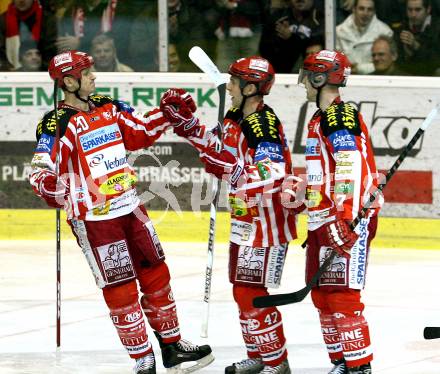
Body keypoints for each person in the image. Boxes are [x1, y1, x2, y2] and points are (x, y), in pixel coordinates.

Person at [28, 50, 214, 374]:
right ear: (69, 81)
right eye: (87, 74)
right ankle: (143, 359)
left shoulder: (106, 106)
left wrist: (166, 113)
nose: (94, 78)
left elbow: (138, 131)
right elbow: (42, 166)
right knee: (121, 288)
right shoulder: (59, 122)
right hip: (95, 219)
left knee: (157, 273)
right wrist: (47, 183)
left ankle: (171, 347)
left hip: (131, 208)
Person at [160, 56, 297, 373]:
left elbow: (270, 175)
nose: (230, 86)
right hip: (245, 218)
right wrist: (188, 126)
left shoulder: (263, 126)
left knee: (251, 290)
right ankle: (259, 356)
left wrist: (229, 168)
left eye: (235, 81)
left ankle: (276, 362)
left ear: (251, 87)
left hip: (266, 220)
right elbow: (216, 146)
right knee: (242, 289)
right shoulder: (235, 115)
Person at [296, 49, 381, 374]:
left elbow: (349, 166)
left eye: (308, 75)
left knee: (343, 296)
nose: (303, 82)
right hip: (323, 218)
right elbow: (326, 172)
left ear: (320, 78)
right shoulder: (321, 117)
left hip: (345, 219)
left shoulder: (338, 116)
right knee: (322, 295)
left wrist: (345, 216)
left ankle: (359, 367)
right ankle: (342, 363)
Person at [259, 0, 324, 73]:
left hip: (314, 72)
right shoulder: (278, 17)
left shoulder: (323, 17)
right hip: (281, 73)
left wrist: (292, 37)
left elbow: (317, 46)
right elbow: (265, 50)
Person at [336, 0, 393, 74]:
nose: (365, 13)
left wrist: (359, 68)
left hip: (375, 78)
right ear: (354, 9)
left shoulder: (385, 32)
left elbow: (387, 62)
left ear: (374, 11)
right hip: (346, 79)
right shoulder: (339, 31)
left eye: (369, 10)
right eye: (361, 9)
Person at [392, 0, 440, 76]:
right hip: (407, 73)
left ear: (428, 10)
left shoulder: (437, 28)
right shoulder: (401, 28)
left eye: (418, 10)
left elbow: (436, 61)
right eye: (410, 10)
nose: (413, 14)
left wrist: (417, 46)